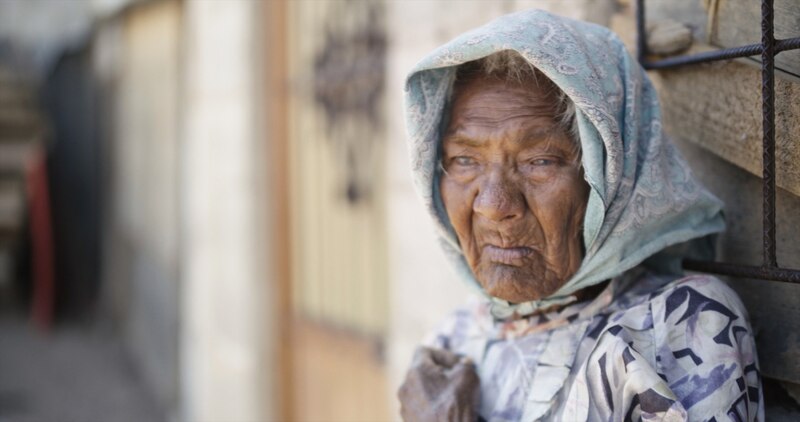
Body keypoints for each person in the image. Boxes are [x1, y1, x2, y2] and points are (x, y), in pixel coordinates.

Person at [398, 9, 762, 421]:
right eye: (464, 159)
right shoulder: (455, 340)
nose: (494, 205)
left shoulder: (682, 322)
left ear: (612, 173)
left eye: (541, 161)